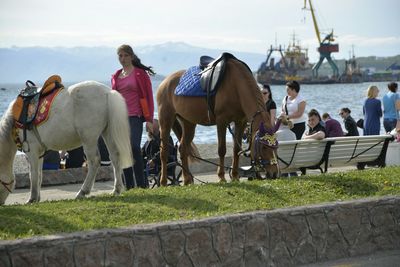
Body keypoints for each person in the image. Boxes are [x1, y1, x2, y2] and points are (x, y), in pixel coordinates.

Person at [111, 44, 155, 189]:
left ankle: (142, 184)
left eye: (125, 55)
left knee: (135, 147)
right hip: (119, 117)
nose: (123, 59)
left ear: (131, 56)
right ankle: (129, 186)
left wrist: (149, 120)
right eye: (120, 56)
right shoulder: (116, 75)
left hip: (135, 116)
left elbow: (148, 97)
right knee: (123, 150)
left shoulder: (140, 74)